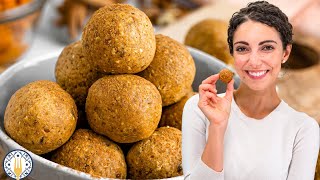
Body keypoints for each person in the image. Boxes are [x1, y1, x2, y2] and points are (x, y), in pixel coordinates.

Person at [182, 1, 320, 179]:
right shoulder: (198, 108)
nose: (254, 61)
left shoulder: (303, 129)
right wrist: (217, 127)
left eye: (267, 48)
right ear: (232, 54)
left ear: (285, 53)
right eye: (243, 49)